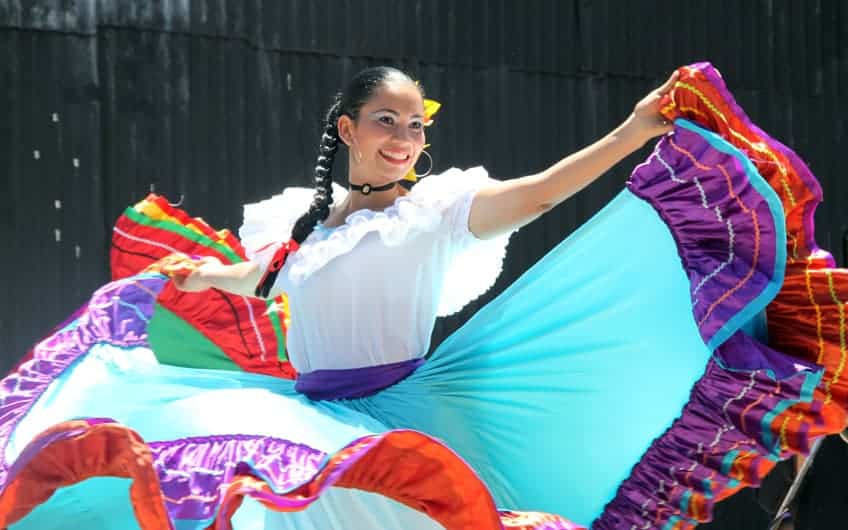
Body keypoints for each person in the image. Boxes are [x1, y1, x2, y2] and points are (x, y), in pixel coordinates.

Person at [0, 63, 840, 530]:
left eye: (415, 125)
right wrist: (188, 277)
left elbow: (542, 192)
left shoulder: (438, 210)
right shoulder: (306, 223)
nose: (405, 140)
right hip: (305, 409)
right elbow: (262, 275)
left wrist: (631, 133)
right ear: (347, 129)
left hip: (406, 415)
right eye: (387, 122)